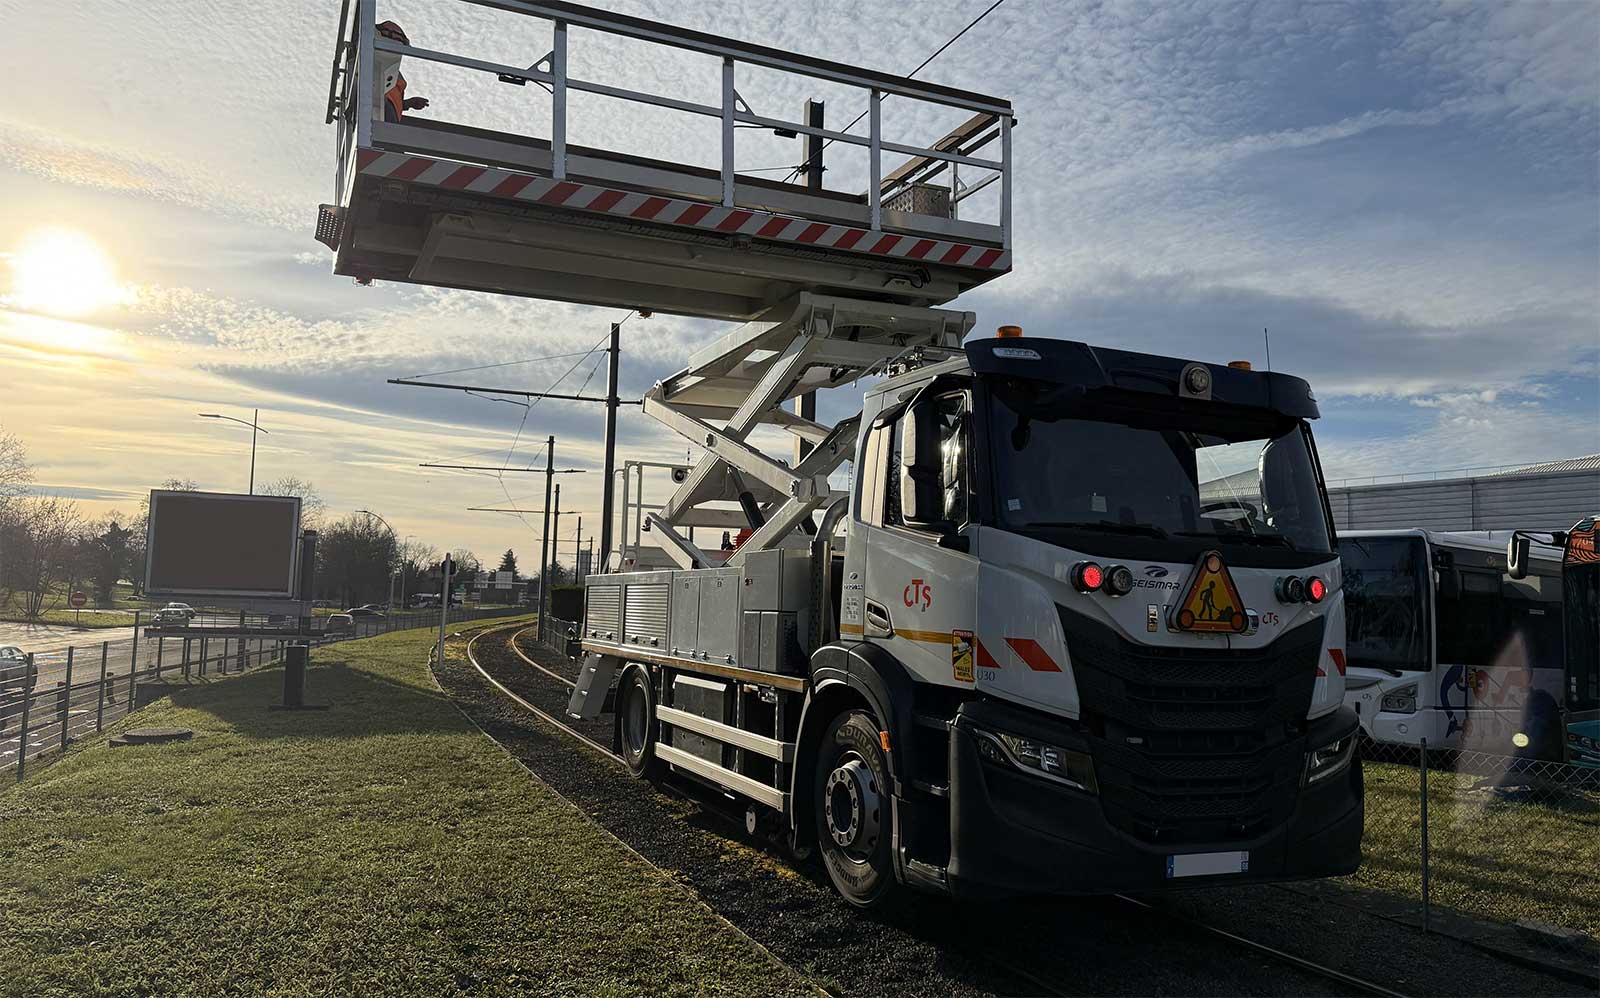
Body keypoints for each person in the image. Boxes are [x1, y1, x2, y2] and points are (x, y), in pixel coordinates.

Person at [374, 21, 430, 123]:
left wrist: (407, 104)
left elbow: (392, 98)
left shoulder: (393, 71)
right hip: (378, 110)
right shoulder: (370, 62)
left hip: (388, 115)